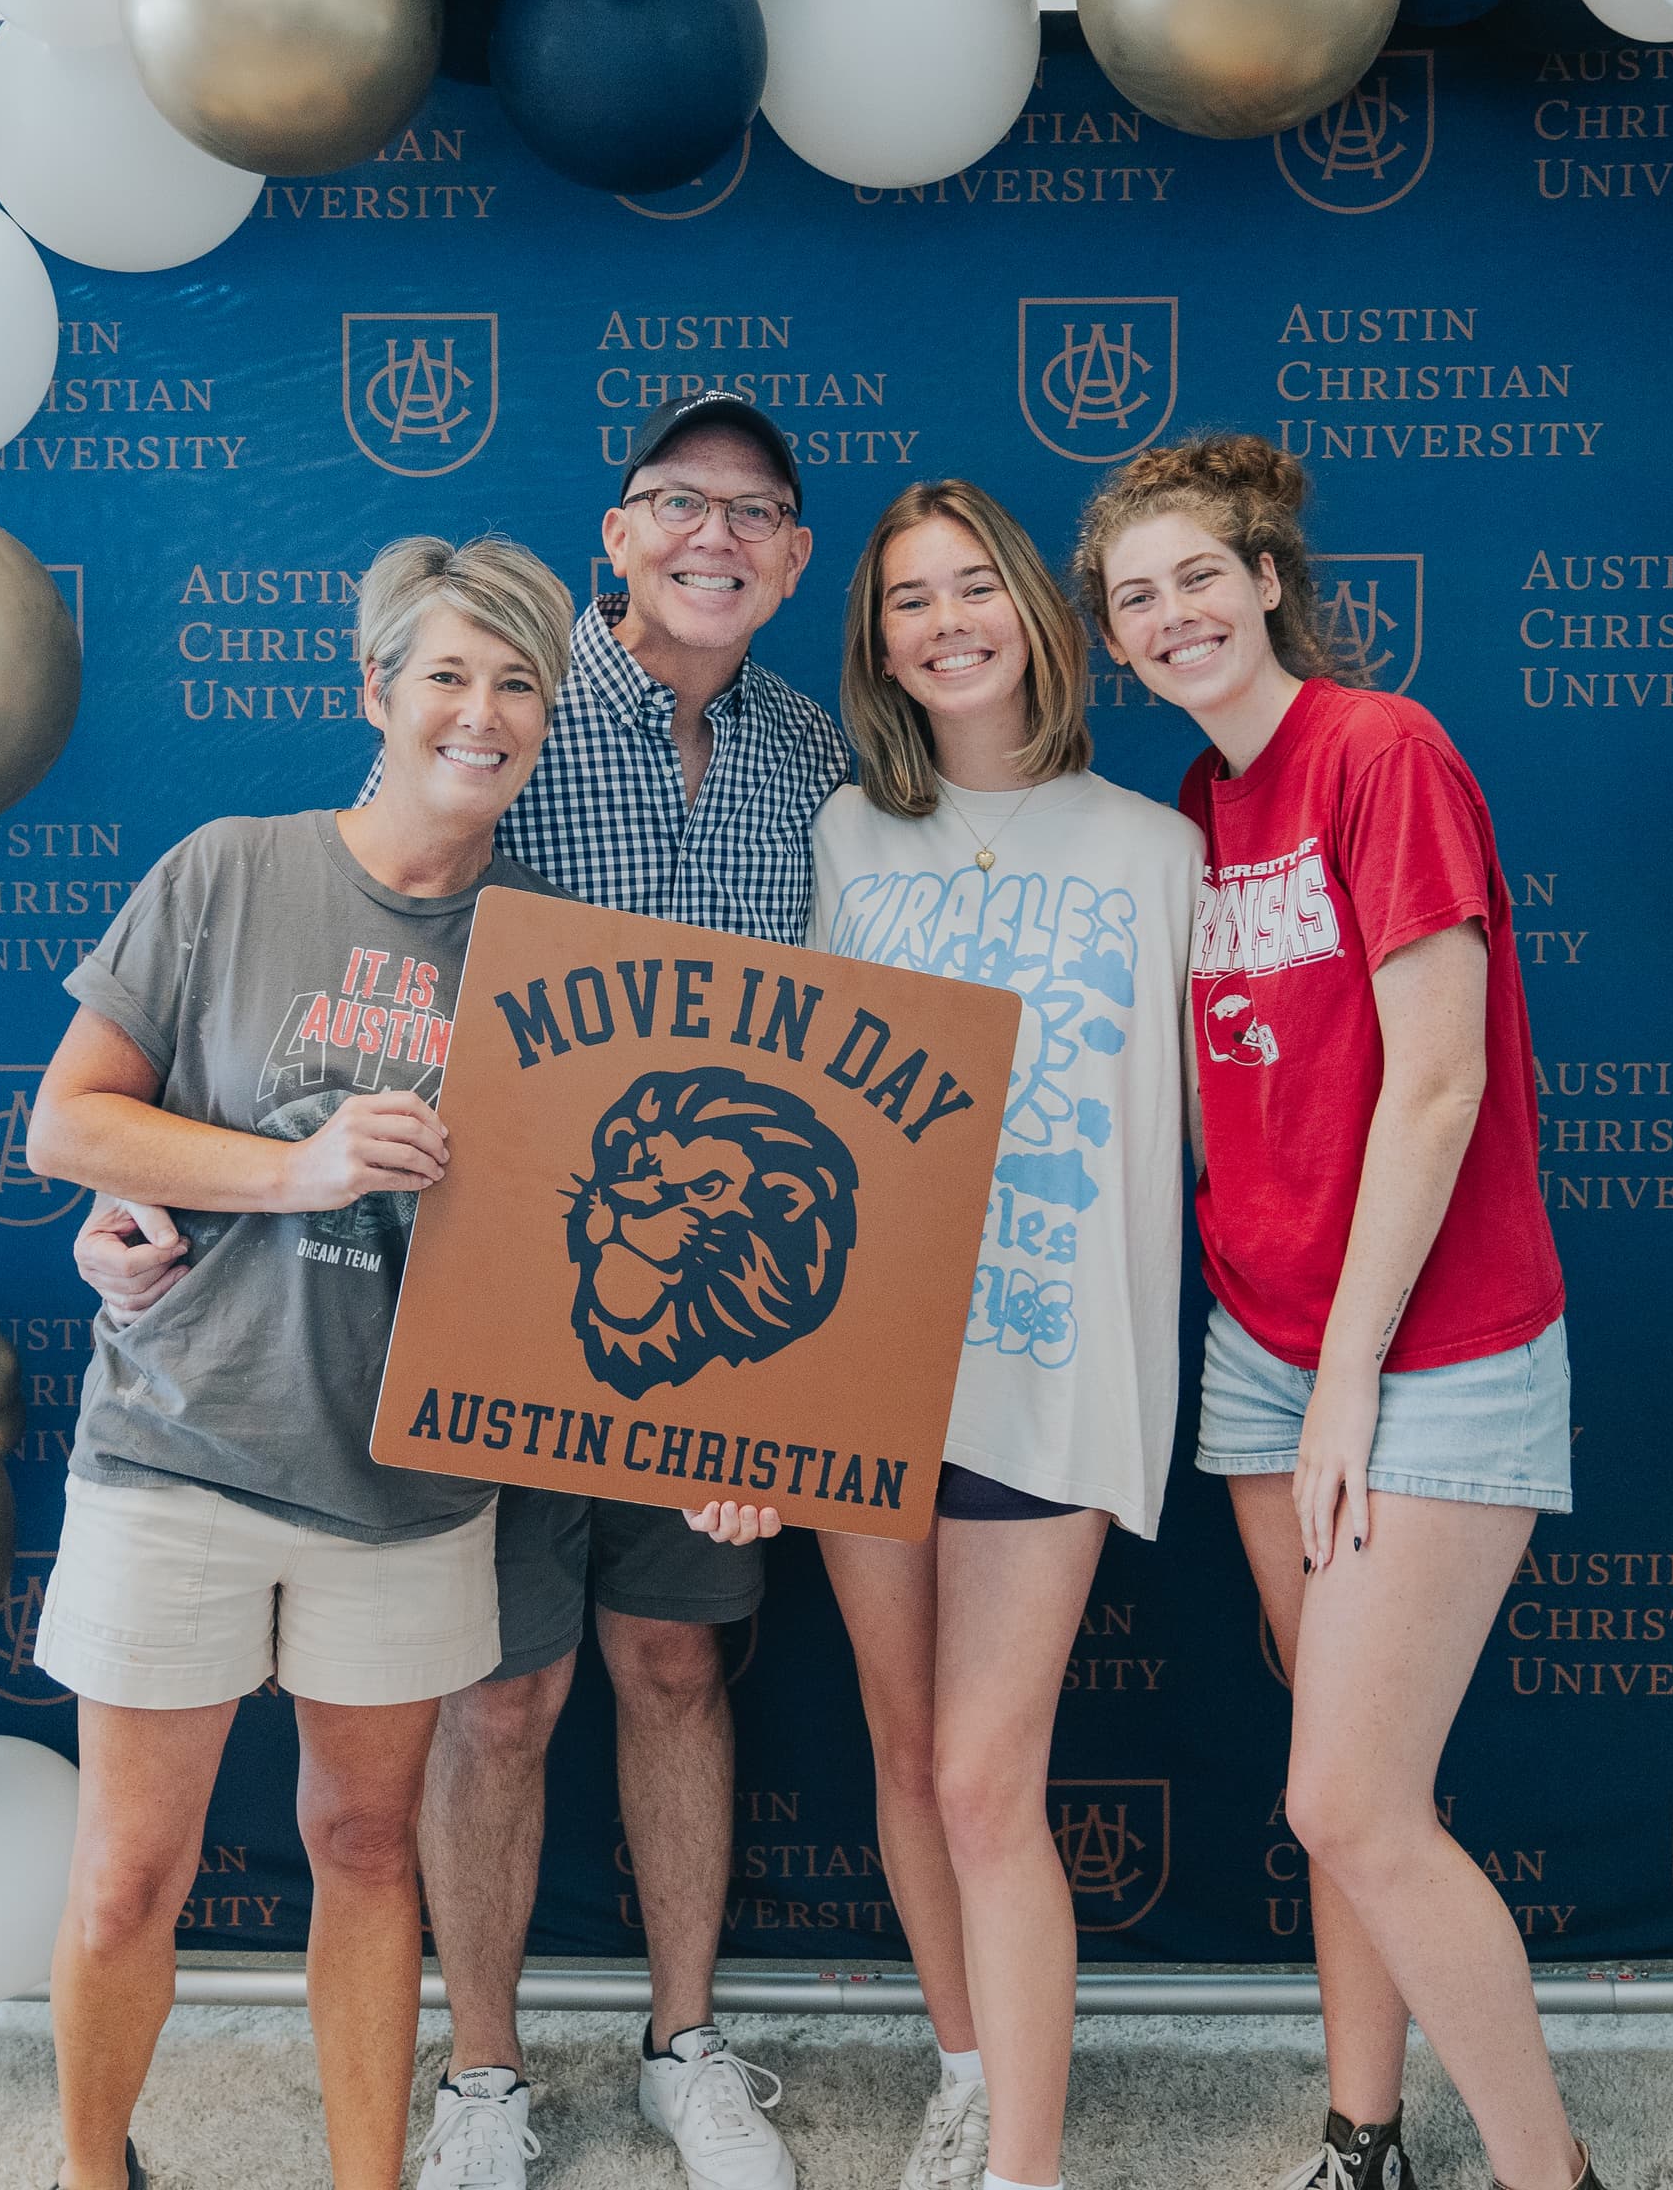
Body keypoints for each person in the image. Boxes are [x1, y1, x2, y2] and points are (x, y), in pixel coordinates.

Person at [72, 392, 851, 2190]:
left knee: (674, 1661)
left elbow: (841, 1073)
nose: (712, 537)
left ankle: (685, 2041)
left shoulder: (817, 754)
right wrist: (138, 1200)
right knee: (502, 1694)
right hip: (463, 1314)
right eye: (675, 503)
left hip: (694, 1311)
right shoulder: (512, 694)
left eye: (753, 513)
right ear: (616, 534)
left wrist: (788, 1395)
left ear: (794, 556)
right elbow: (282, 999)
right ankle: (482, 2074)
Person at [24, 535, 579, 2190]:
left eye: (518, 688)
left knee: (361, 1847)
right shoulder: (230, 869)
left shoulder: (559, 958)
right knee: (131, 1869)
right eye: (449, 678)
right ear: (378, 697)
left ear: (547, 724)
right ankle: (88, 2173)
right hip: (181, 1444)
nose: (480, 715)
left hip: (404, 1483)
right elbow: (69, 1120)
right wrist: (295, 1168)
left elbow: (585, 1257)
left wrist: (719, 1437)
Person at [1075, 437, 1596, 2190]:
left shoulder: (1383, 754)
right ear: (1118, 643)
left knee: (1347, 1802)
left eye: (1198, 577)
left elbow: (1435, 1088)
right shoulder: (1205, 810)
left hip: (1423, 1354)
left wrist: (1350, 1382)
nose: (1173, 615)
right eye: (1137, 600)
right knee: (1343, 1788)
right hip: (1266, 1341)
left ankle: (1552, 2177)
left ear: (1269, 578)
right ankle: (1362, 2140)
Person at [682, 479, 1198, 2190]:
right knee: (908, 1756)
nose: (947, 621)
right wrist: (761, 1401)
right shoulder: (844, 842)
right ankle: (970, 2070)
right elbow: (785, 1125)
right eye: (911, 599)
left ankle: (1025, 2169)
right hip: (873, 1373)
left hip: (1052, 1371)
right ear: (878, 640)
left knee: (990, 1780)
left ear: (1040, 619)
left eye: (977, 587)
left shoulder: (1155, 848)